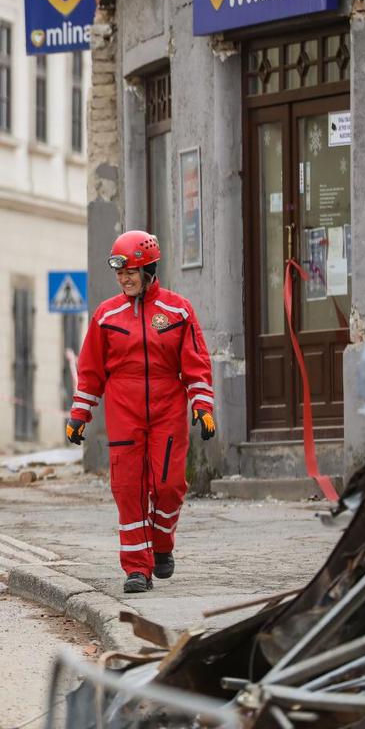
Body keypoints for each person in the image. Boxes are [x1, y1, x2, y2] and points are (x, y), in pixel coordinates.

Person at [65, 230, 216, 594]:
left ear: (149, 269)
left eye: (131, 271)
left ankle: (162, 544)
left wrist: (203, 405)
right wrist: (79, 416)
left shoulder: (178, 310)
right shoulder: (106, 315)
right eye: (120, 273)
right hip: (123, 410)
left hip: (167, 408)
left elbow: (195, 363)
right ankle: (137, 569)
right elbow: (91, 371)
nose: (124, 279)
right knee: (128, 488)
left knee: (169, 486)